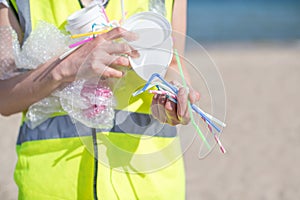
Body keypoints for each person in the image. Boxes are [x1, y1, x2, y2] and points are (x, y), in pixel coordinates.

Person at [0, 0, 199, 199]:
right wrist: (65, 67)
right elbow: (4, 97)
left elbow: (173, 64)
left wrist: (176, 95)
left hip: (149, 185)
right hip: (55, 185)